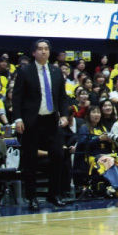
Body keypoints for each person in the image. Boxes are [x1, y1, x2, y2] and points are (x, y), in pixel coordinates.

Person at [12, 39, 70, 210]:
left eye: (46, 49)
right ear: (34, 53)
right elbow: (17, 98)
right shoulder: (25, 71)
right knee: (30, 160)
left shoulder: (56, 71)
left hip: (51, 120)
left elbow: (62, 97)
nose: (44, 51)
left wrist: (65, 115)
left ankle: (54, 194)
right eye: (40, 49)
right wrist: (18, 119)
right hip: (32, 121)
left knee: (58, 155)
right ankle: (32, 197)